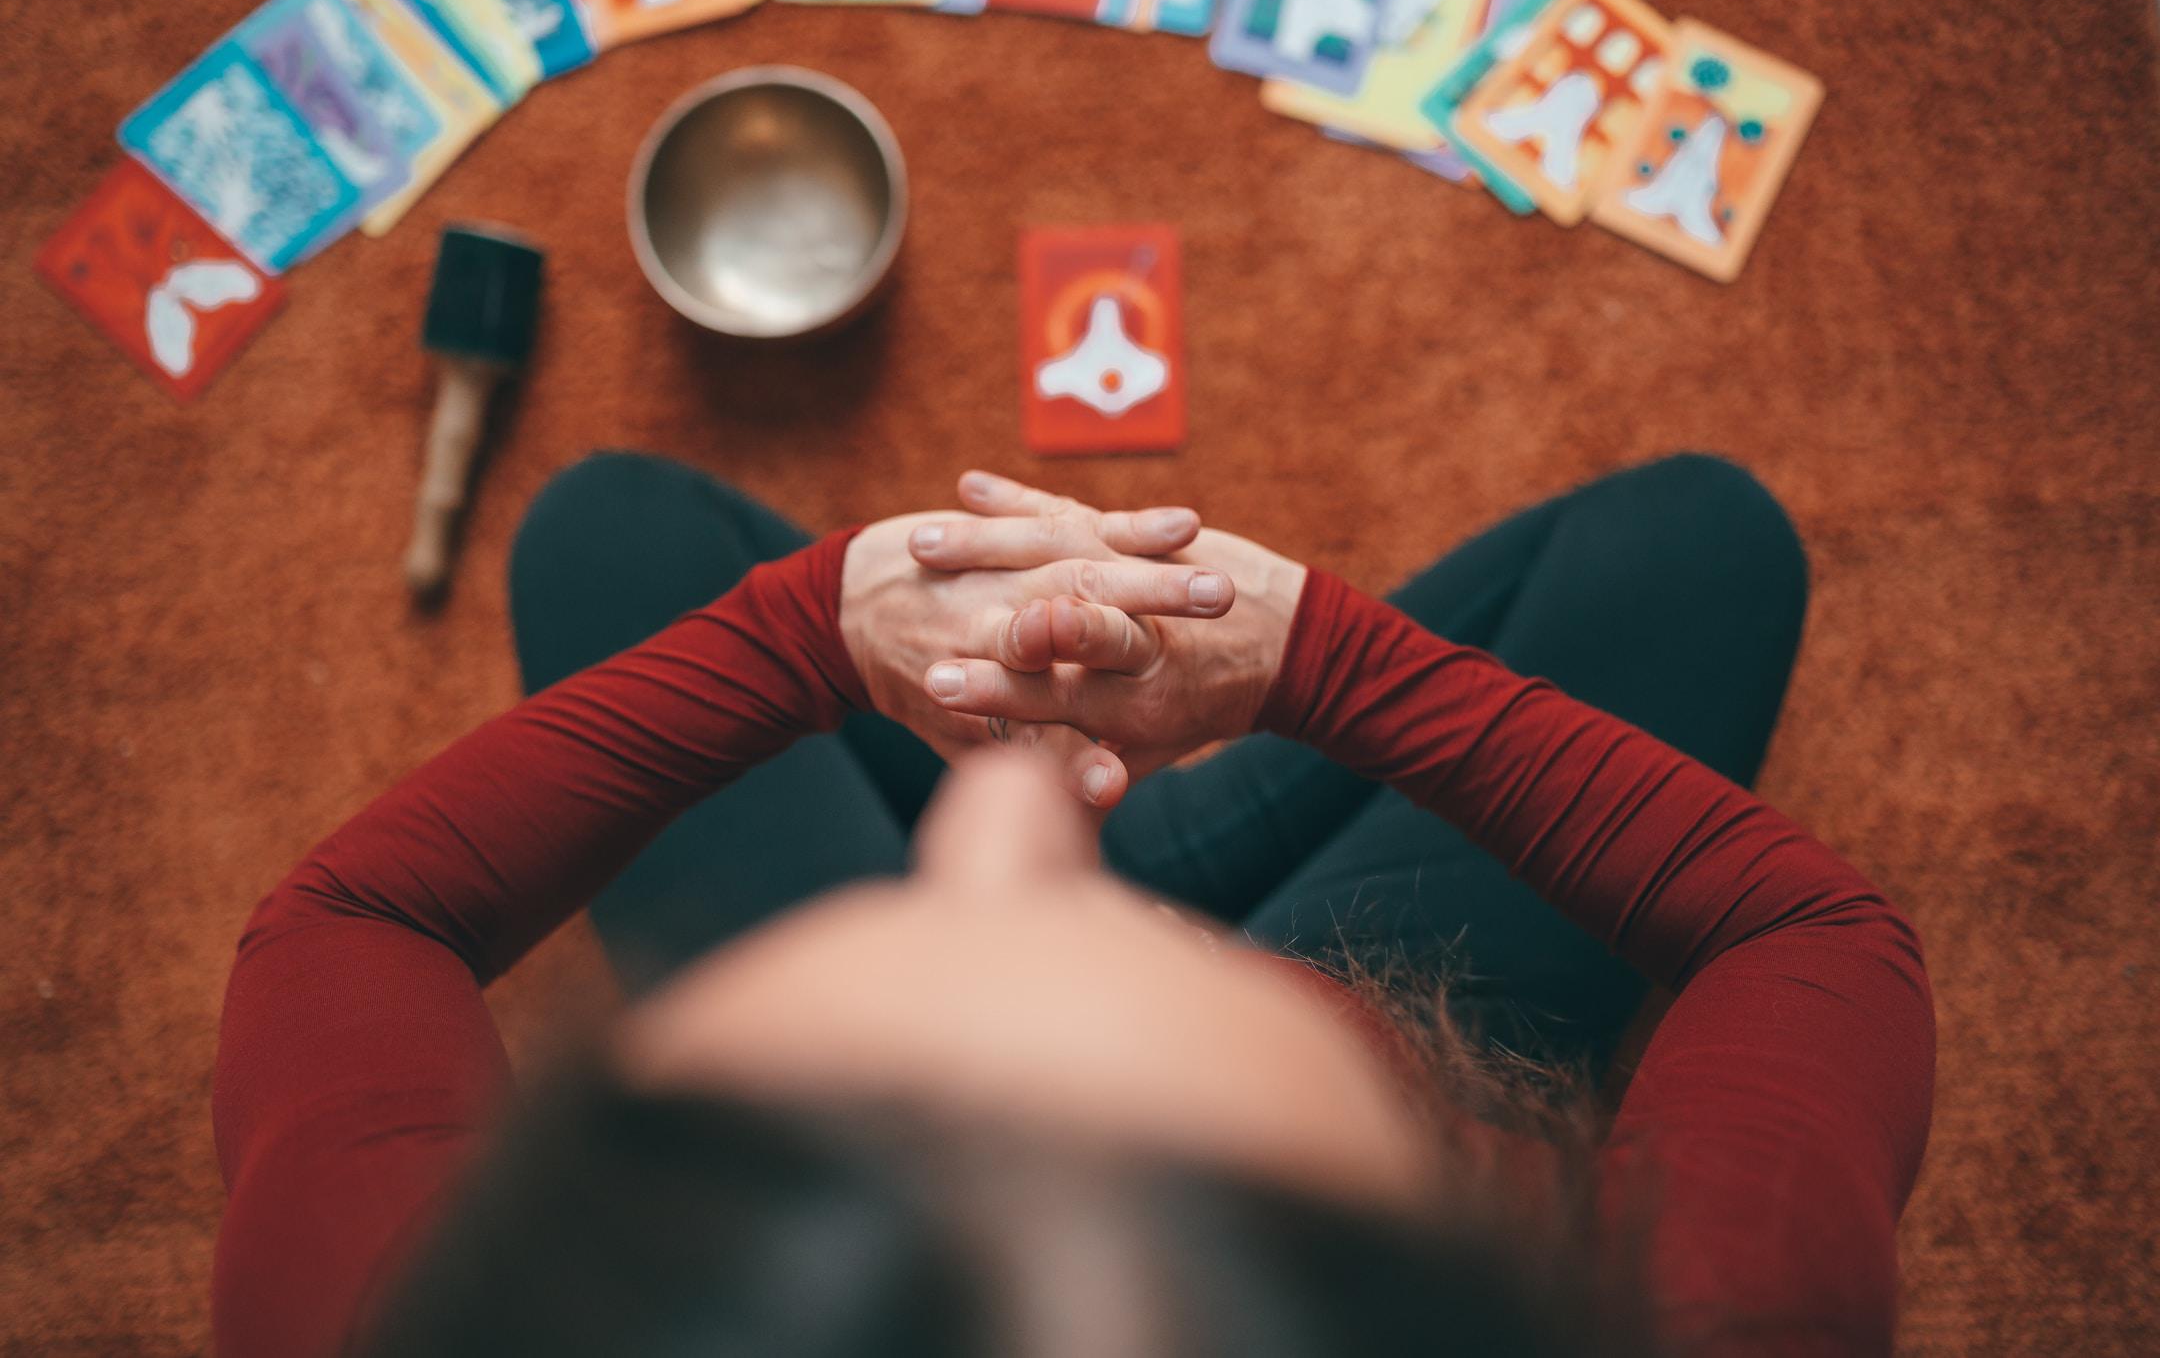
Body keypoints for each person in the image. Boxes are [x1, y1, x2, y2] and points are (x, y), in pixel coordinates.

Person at [211, 454, 1935, 1357]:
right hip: (1391, 944)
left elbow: (354, 924)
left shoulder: (422, 1323)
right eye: (1078, 919)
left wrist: (817, 625)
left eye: (915, 951)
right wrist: (1312, 659)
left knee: (610, 527)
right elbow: (1806, 938)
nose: (1011, 815)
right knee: (1699, 546)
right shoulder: (1690, 1319)